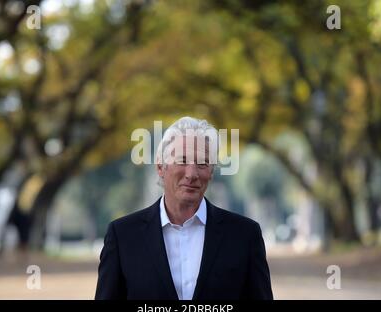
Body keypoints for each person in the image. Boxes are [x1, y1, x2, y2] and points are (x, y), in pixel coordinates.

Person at [95, 116, 273, 300]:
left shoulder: (244, 235)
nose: (192, 174)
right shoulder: (123, 236)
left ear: (211, 171)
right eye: (182, 161)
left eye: (202, 164)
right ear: (160, 167)